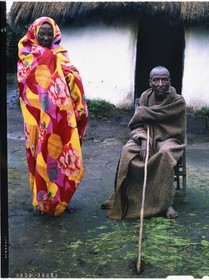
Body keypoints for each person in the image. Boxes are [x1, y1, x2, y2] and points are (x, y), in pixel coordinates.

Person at [17, 17, 88, 216]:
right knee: (40, 156)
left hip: (61, 117)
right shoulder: (27, 54)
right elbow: (27, 86)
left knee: (63, 155)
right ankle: (41, 201)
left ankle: (62, 200)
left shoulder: (60, 54)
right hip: (38, 118)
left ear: (56, 34)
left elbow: (72, 76)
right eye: (43, 33)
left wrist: (71, 77)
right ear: (35, 33)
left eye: (50, 34)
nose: (47, 37)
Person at [101, 66, 186, 220]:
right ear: (150, 83)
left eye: (164, 79)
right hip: (146, 136)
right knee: (127, 151)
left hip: (169, 138)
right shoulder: (145, 97)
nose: (160, 83)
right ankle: (129, 197)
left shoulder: (178, 101)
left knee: (165, 154)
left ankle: (166, 203)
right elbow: (138, 124)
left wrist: (156, 135)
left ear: (169, 81)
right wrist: (143, 139)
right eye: (156, 80)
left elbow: (177, 129)